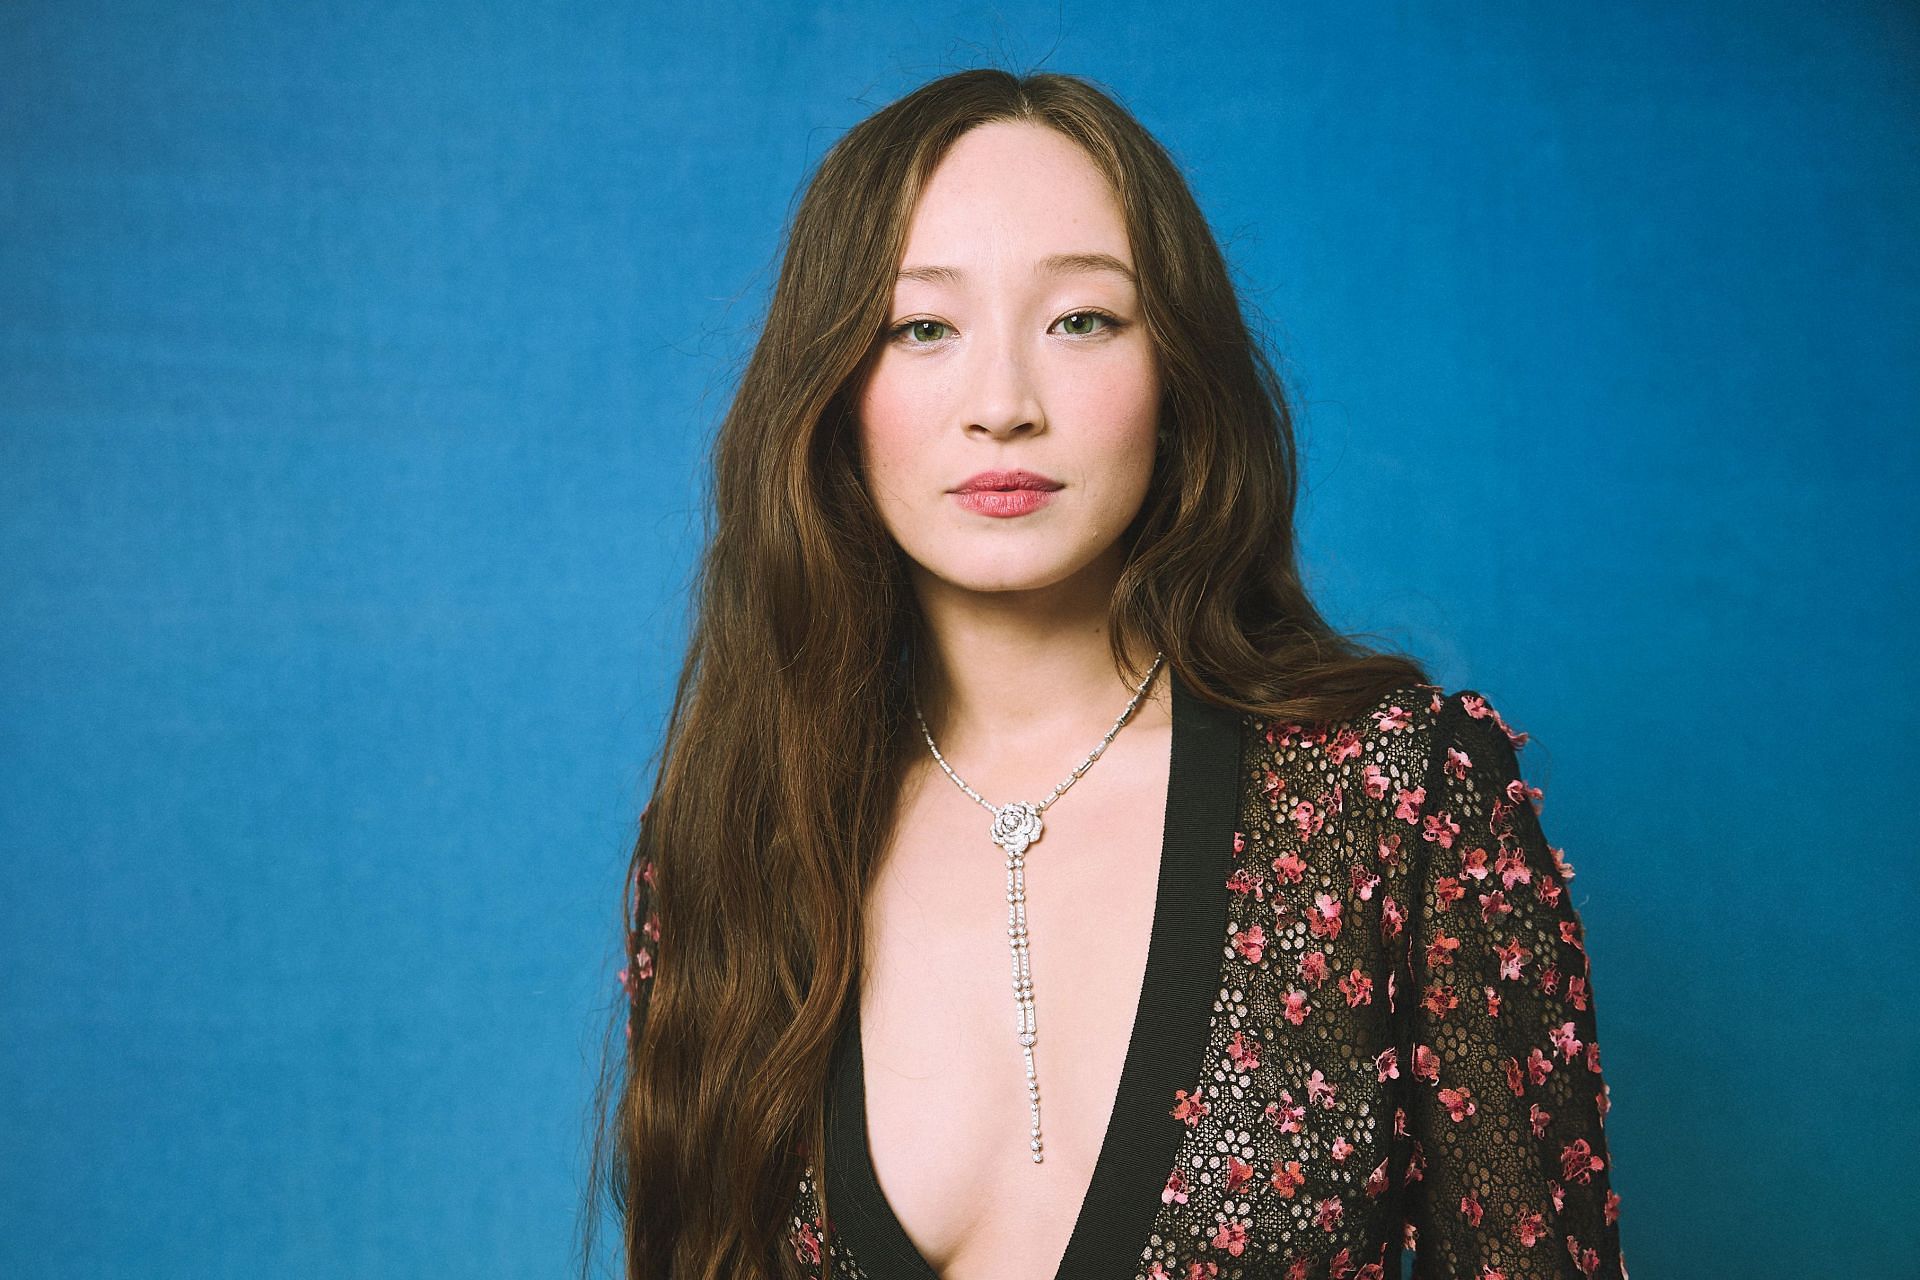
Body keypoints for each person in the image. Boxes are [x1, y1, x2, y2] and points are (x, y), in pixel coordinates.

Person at [583, 69, 1626, 1280]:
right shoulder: (732, 838)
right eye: (921, 326)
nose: (1003, 405)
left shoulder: (1394, 801)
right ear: (833, 392)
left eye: (1081, 319)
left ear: (1175, 371)